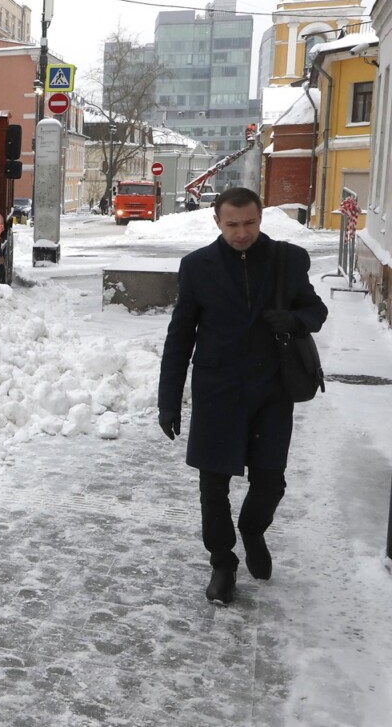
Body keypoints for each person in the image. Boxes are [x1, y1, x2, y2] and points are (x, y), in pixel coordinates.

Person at [157, 187, 327, 605]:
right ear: (217, 221)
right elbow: (180, 337)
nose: (241, 232)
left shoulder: (288, 259)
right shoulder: (197, 266)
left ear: (260, 219)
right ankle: (222, 562)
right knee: (213, 485)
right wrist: (168, 399)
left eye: (249, 223)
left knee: (270, 480)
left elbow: (316, 311)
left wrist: (294, 319)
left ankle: (252, 529)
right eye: (232, 224)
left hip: (272, 390)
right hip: (218, 391)